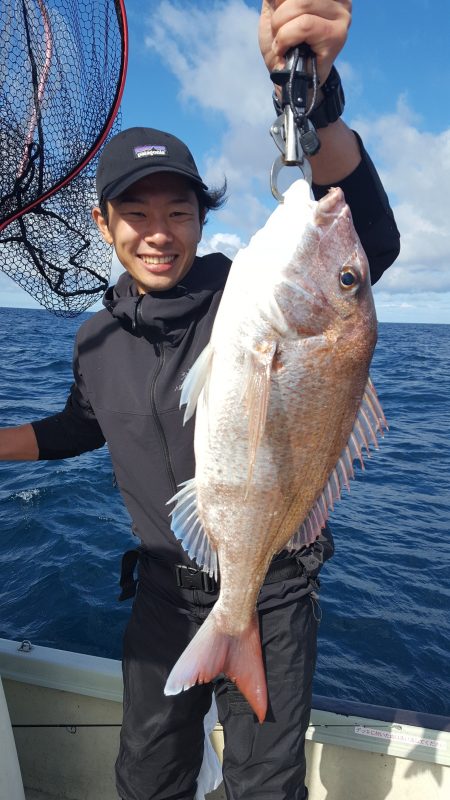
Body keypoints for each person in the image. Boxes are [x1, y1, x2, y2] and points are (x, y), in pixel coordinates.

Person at [0, 2, 400, 798]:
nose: (158, 232)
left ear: (201, 220)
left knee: (264, 785)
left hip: (273, 589)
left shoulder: (237, 297)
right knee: (146, 779)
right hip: (161, 592)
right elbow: (82, 426)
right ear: (103, 222)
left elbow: (371, 240)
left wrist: (310, 92)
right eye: (137, 213)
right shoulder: (96, 338)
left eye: (178, 211)